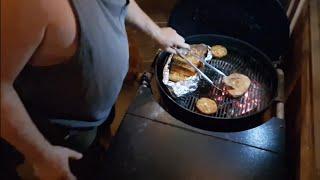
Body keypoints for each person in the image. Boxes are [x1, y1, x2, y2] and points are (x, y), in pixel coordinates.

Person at [1, 0, 189, 179]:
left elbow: (122, 3)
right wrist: (42, 154)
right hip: (60, 136)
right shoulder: (29, 5)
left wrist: (156, 32)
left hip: (97, 116)